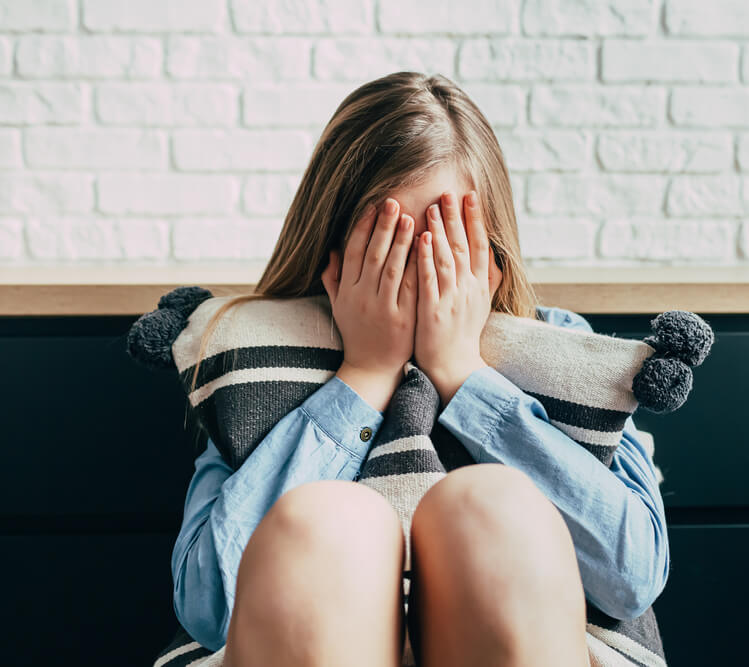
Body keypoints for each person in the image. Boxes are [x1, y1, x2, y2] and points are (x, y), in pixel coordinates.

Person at [170, 72, 669, 667]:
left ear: (491, 254)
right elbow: (210, 605)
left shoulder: (563, 351)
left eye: (442, 249)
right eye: (387, 250)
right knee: (328, 521)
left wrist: (464, 376)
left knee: (490, 507)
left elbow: (631, 576)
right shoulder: (254, 359)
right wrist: (364, 376)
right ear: (333, 249)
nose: (416, 280)